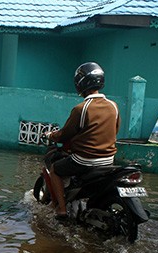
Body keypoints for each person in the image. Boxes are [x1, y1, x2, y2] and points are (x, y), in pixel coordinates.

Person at [46, 62, 120, 219]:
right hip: (108, 160)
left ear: (80, 84)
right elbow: (115, 131)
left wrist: (51, 135)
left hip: (84, 160)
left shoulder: (82, 108)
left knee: (55, 169)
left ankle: (62, 209)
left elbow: (64, 134)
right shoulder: (113, 106)